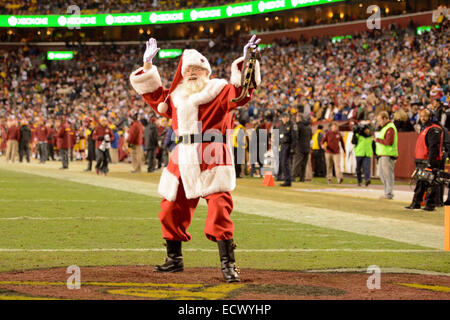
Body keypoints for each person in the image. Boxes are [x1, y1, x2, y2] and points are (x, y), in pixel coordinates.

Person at [129, 36, 261, 283]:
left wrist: (249, 62)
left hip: (213, 155)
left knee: (220, 209)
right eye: (188, 69)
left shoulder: (219, 90)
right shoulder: (176, 96)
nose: (192, 73)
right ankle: (174, 260)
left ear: (206, 72)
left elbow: (242, 93)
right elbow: (154, 94)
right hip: (182, 155)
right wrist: (147, 65)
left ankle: (228, 265)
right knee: (170, 207)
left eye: (198, 69)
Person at [405, 109, 443, 211]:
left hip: (428, 160)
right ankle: (416, 203)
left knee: (431, 183)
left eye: (425, 116)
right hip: (421, 160)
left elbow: (433, 147)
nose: (422, 118)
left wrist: (431, 162)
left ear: (431, 117)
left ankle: (430, 205)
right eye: (421, 116)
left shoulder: (434, 129)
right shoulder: (425, 128)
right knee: (420, 183)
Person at [374, 111, 398, 200]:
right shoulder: (385, 128)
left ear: (385, 118)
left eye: (380, 120)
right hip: (383, 154)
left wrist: (378, 140)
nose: (379, 123)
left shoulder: (390, 128)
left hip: (388, 154)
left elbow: (389, 142)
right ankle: (387, 192)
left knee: (388, 175)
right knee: (382, 175)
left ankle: (389, 193)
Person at [292, 113, 312, 182]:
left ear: (298, 118)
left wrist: (293, 146)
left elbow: (296, 136)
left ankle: (293, 177)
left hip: (299, 147)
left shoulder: (298, 126)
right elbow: (310, 137)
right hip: (307, 147)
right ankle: (302, 178)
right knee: (304, 164)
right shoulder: (308, 126)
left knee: (296, 163)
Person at [277, 113, 293, 187]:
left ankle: (288, 180)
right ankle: (285, 179)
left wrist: (292, 148)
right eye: (283, 117)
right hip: (282, 145)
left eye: (286, 117)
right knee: (282, 163)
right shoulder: (281, 126)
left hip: (287, 145)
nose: (285, 119)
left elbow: (294, 137)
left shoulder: (291, 126)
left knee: (285, 163)